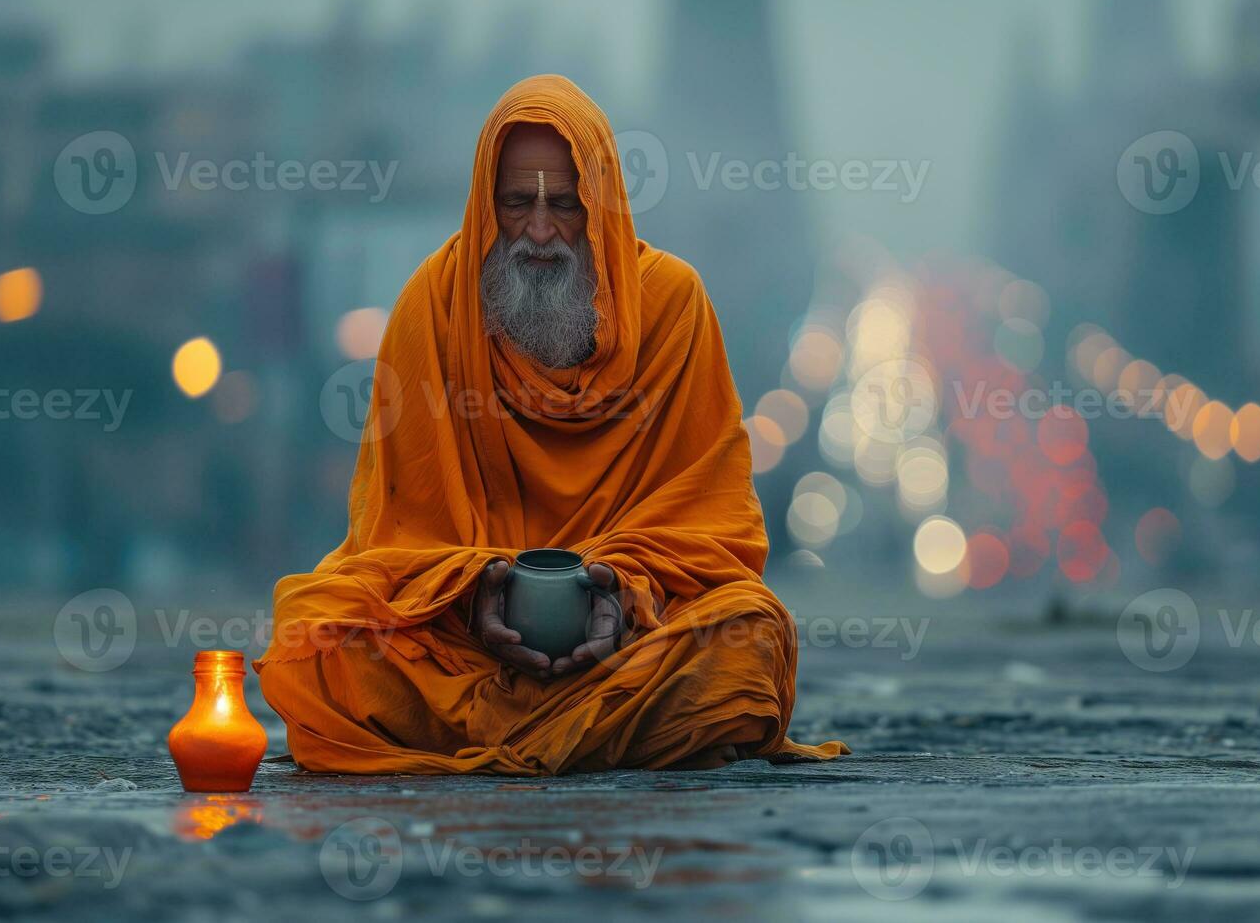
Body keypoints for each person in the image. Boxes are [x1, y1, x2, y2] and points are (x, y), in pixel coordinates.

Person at [255, 75, 847, 774]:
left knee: (747, 638)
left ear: (600, 206)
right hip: (468, 645)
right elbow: (396, 540)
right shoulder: (433, 307)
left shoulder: (672, 305)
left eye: (564, 205)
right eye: (517, 203)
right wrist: (474, 595)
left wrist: (621, 596)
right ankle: (599, 730)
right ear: (485, 204)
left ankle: (529, 725)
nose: (539, 231)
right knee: (318, 644)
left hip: (630, 641)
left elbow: (711, 533)